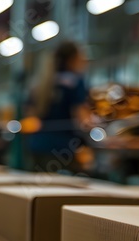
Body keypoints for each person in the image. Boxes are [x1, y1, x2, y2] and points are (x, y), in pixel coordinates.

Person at [26, 41, 92, 172]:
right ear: (72, 59)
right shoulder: (74, 82)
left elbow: (30, 116)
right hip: (64, 148)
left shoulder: (40, 83)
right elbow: (82, 117)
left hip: (38, 145)